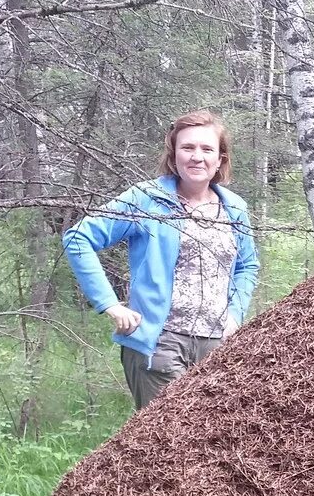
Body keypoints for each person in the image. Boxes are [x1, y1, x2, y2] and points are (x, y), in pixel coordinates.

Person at [62, 110, 260, 411]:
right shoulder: (145, 200)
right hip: (160, 345)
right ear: (174, 154)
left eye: (207, 149)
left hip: (217, 347)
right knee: (172, 448)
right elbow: (78, 238)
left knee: (214, 445)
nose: (197, 157)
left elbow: (247, 265)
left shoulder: (234, 208)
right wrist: (110, 304)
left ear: (220, 159)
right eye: (188, 148)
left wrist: (235, 314)